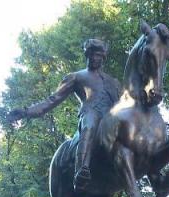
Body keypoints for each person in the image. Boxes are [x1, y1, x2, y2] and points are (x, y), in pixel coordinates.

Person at [8, 39, 121, 187]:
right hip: (91, 113)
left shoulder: (113, 82)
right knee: (90, 123)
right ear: (87, 55)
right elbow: (52, 100)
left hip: (111, 119)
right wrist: (26, 112)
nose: (95, 58)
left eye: (99, 55)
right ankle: (81, 169)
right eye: (92, 55)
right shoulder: (77, 77)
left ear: (103, 58)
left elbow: (124, 105)